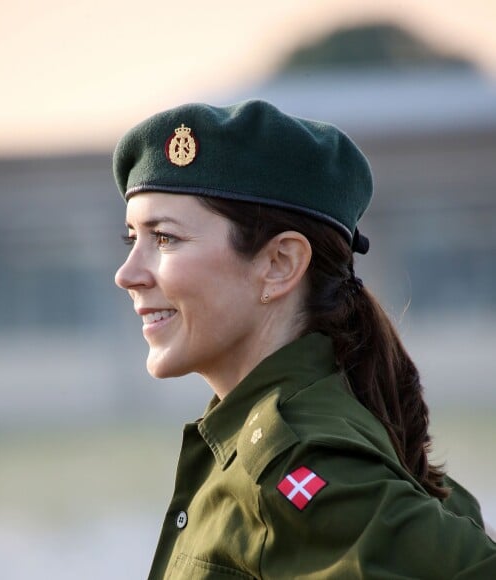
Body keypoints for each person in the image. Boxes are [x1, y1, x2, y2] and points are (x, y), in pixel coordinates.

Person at [113, 100, 496, 579]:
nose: (127, 274)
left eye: (165, 238)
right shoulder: (260, 439)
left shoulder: (297, 462)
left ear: (280, 264)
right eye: (133, 239)